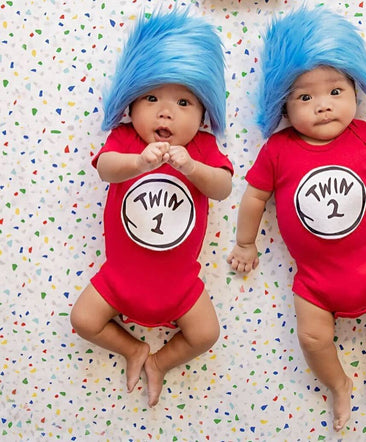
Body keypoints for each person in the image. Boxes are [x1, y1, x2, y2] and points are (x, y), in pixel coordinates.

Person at [227, 7, 366, 432]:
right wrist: (245, 243)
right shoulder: (278, 149)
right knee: (312, 339)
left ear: (356, 89)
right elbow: (254, 197)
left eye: (335, 91)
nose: (322, 106)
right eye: (304, 97)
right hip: (314, 281)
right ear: (283, 104)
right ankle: (338, 384)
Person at [71, 10, 233, 408]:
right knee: (83, 321)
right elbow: (106, 170)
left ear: (204, 113)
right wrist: (139, 163)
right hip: (118, 279)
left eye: (183, 102)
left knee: (206, 334)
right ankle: (132, 349)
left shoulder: (202, 148)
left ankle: (159, 360)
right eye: (151, 97)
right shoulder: (125, 139)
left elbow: (224, 188)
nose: (166, 112)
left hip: (180, 286)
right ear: (130, 103)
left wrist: (193, 168)